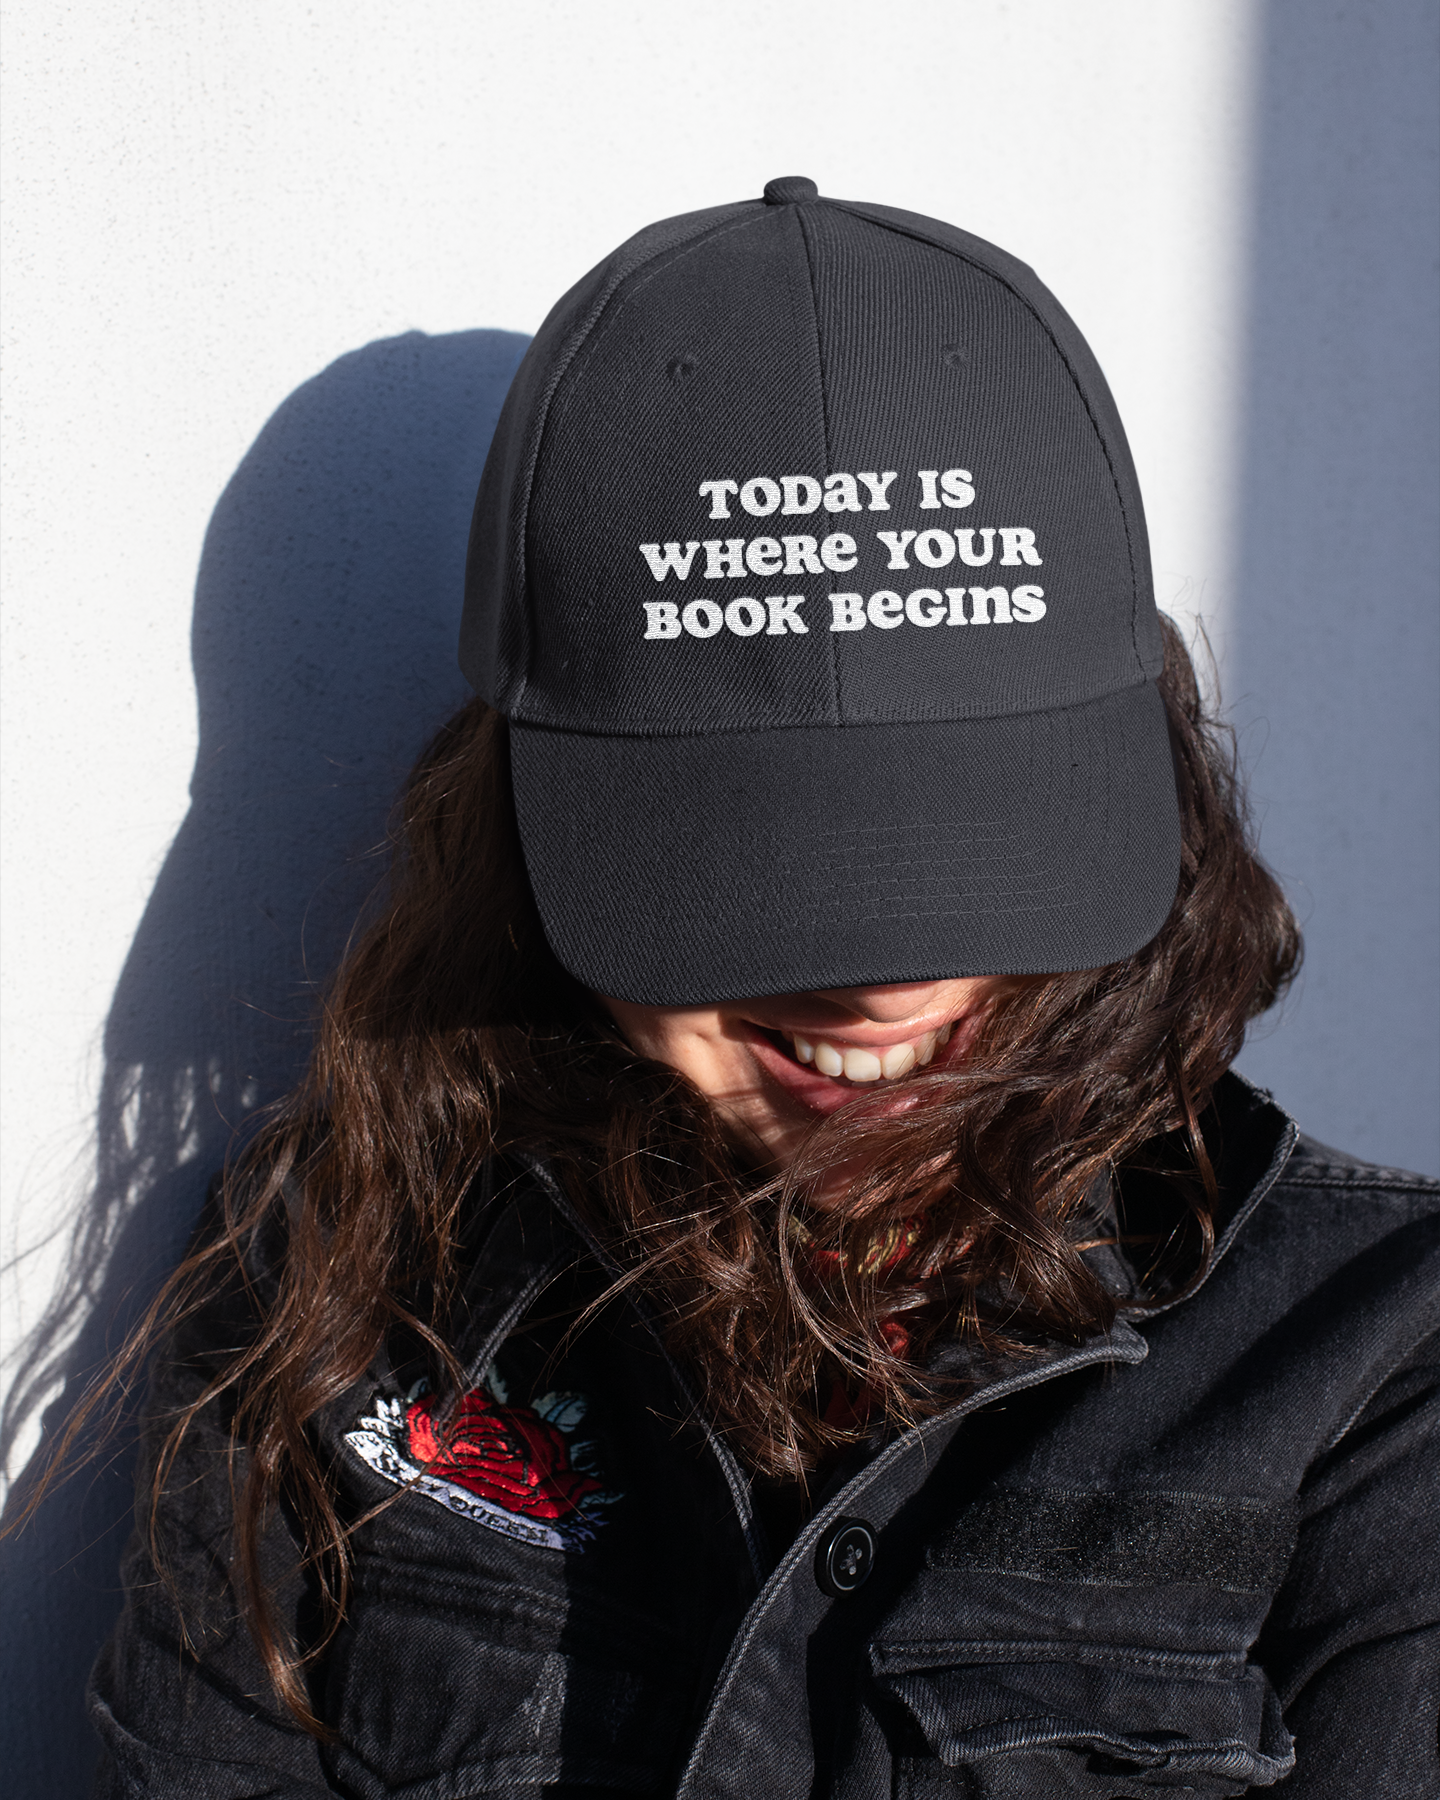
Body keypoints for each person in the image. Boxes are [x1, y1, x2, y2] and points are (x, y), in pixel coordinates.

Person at [74, 177, 1437, 1797]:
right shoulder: (337, 1282)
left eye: (976, 851)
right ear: (526, 827)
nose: (883, 987)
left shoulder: (1380, 1363)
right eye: (759, 867)